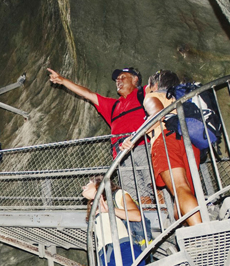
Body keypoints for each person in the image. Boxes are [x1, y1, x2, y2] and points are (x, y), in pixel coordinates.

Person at [47, 66, 154, 204]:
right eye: (117, 79)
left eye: (123, 77)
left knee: (155, 184)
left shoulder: (145, 93)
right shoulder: (113, 106)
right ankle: (151, 219)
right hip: (122, 156)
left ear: (135, 79)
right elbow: (89, 95)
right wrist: (63, 81)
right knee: (137, 196)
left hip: (144, 146)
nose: (118, 81)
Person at [126, 70, 203, 226]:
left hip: (167, 141)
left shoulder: (153, 96)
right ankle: (191, 235)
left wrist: (134, 138)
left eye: (148, 85)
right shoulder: (178, 98)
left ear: (154, 85)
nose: (146, 89)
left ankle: (203, 233)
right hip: (188, 142)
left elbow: (157, 115)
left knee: (179, 188)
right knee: (181, 198)